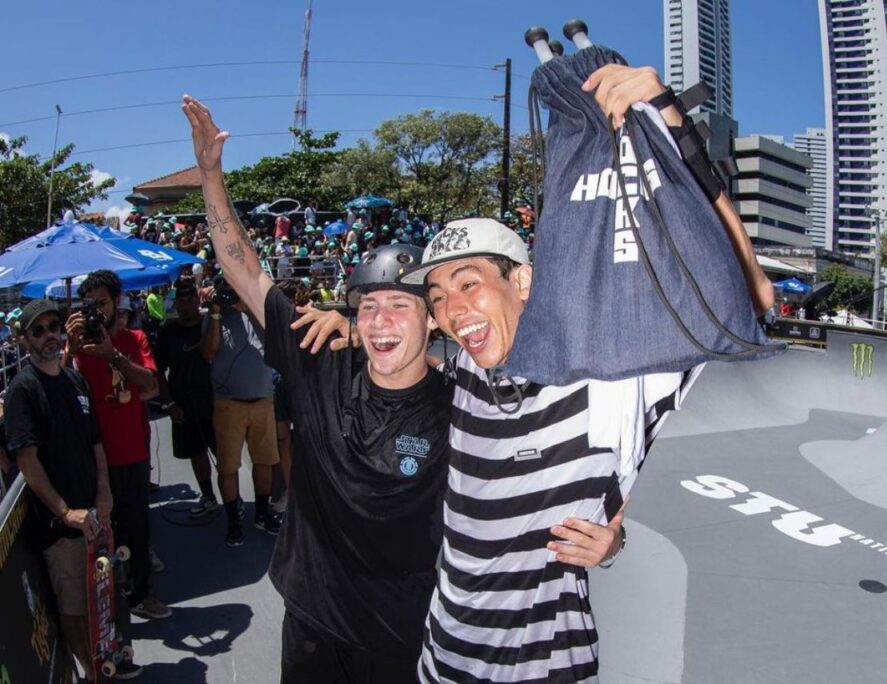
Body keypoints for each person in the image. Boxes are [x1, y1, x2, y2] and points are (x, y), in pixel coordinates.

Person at [183, 95, 621, 683]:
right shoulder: (319, 363)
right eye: (368, 307)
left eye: (400, 306)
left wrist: (611, 541)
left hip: (407, 639)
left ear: (433, 321)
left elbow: (550, 485)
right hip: (313, 625)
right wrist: (210, 173)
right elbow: (242, 269)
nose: (381, 320)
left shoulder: (463, 407)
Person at [396, 64, 775, 682]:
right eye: (438, 297)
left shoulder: (613, 372)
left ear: (522, 281)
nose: (452, 310)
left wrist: (670, 120)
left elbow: (746, 297)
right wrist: (349, 323)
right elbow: (400, 341)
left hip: (547, 668)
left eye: (469, 285)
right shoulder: (464, 366)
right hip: (441, 660)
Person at [5, 299, 143, 681]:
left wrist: (104, 493)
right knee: (76, 614)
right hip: (63, 530)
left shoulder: (74, 378)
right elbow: (27, 462)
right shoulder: (23, 389)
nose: (49, 334)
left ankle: (108, 670)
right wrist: (65, 511)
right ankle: (95, 677)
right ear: (24, 339)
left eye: (54, 326)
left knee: (106, 606)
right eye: (39, 330)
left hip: (97, 518)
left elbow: (95, 443)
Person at [65, 270, 172, 623]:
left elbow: (151, 386)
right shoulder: (78, 348)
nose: (97, 311)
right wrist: (69, 350)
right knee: (99, 536)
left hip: (132, 452)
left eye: (103, 303)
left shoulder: (135, 338)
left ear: (116, 303)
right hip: (92, 458)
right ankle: (105, 607)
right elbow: (62, 391)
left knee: (137, 529)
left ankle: (140, 594)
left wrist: (113, 356)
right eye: (90, 305)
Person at [199, 277, 280, 546]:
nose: (231, 295)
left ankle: (262, 512)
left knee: (265, 460)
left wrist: (249, 303)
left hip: (263, 400)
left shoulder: (260, 312)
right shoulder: (215, 317)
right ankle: (233, 519)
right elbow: (208, 351)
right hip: (229, 403)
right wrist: (216, 312)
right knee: (228, 465)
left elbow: (278, 339)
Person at [154, 279, 219, 517]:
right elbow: (159, 371)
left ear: (197, 300)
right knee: (196, 452)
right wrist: (169, 403)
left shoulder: (209, 324)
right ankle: (208, 496)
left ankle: (233, 499)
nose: (187, 304)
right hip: (182, 403)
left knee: (223, 454)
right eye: (181, 300)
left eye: (191, 299)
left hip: (214, 401)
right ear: (176, 304)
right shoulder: (167, 332)